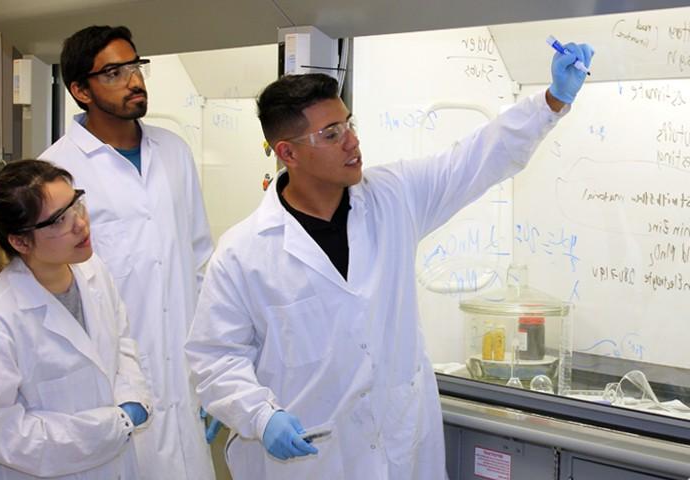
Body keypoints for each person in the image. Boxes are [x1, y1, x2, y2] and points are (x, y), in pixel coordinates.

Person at [186, 41, 594, 479]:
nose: (352, 142)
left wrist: (552, 100)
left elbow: (473, 160)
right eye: (331, 134)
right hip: (310, 461)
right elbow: (214, 359)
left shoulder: (392, 197)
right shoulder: (244, 252)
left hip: (399, 451)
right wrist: (261, 417)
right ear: (288, 153)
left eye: (348, 124)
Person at [40, 25, 216, 480]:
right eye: (114, 72)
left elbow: (199, 259)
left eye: (135, 66)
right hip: (113, 376)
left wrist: (212, 372)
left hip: (184, 368)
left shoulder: (174, 151)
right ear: (80, 90)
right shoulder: (57, 171)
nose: (134, 81)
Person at [0, 159, 152, 479]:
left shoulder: (93, 272)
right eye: (58, 220)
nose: (80, 224)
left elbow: (121, 344)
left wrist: (131, 397)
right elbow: (3, 437)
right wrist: (109, 426)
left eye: (76, 204)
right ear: (20, 241)